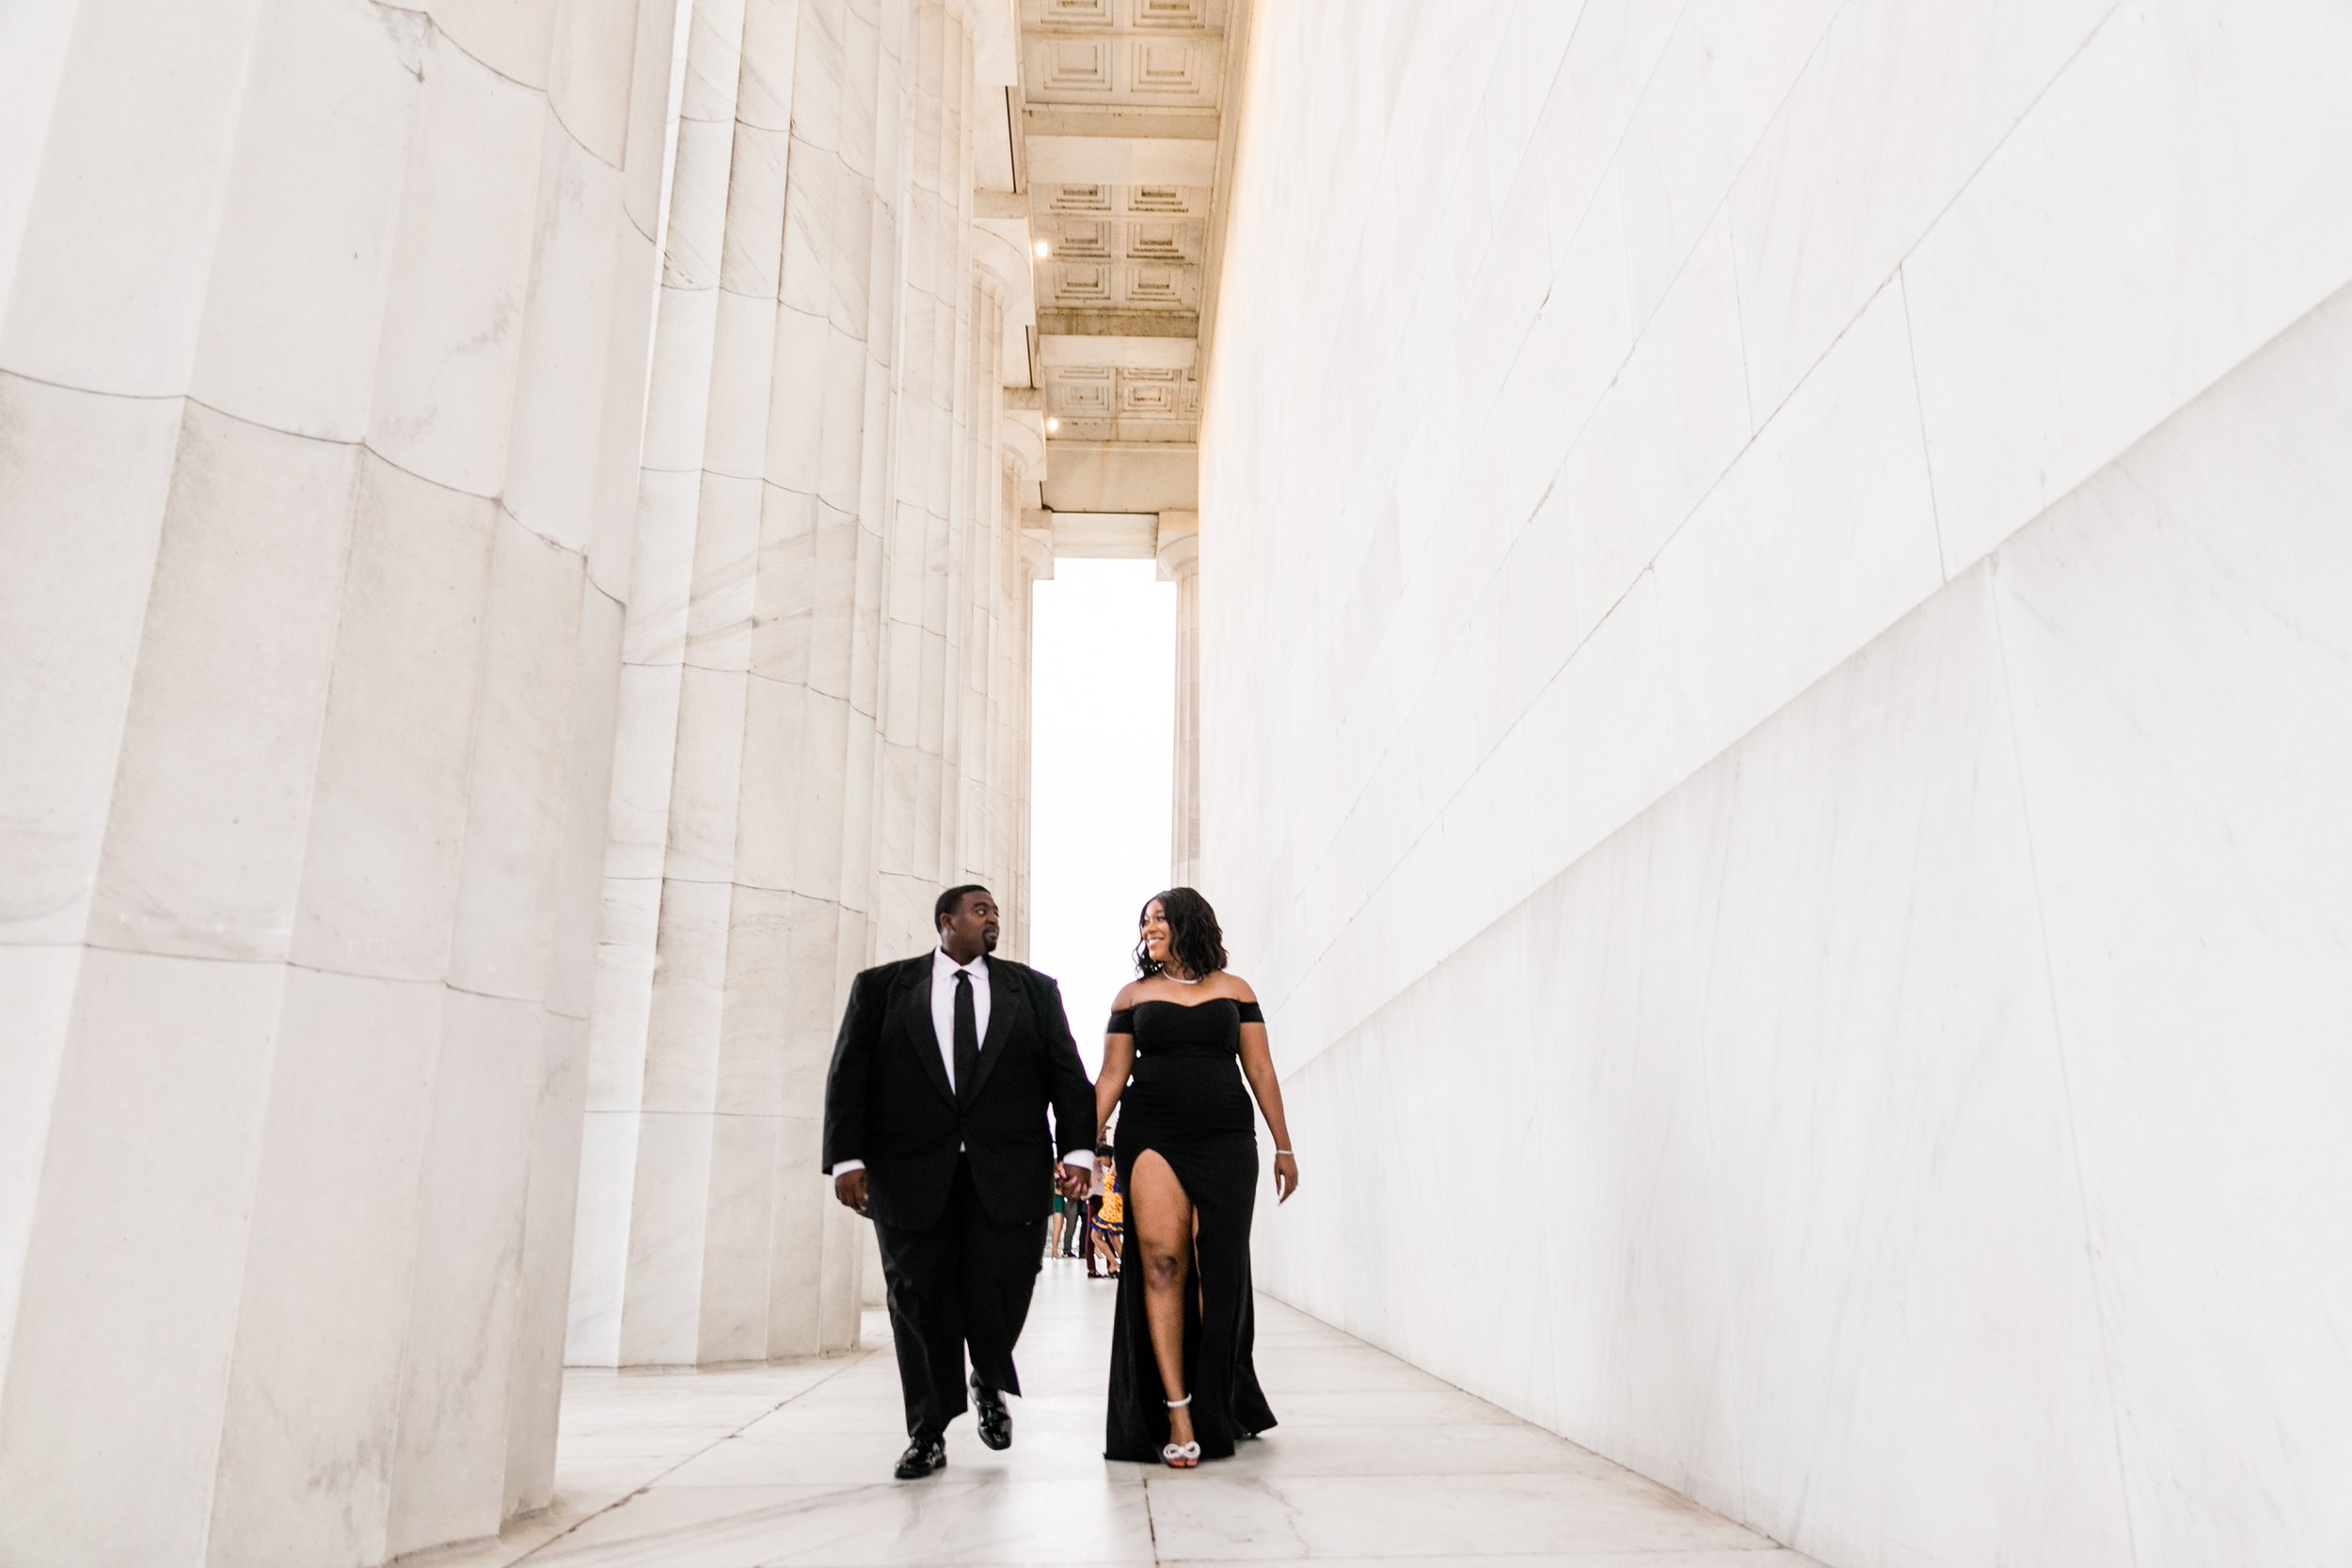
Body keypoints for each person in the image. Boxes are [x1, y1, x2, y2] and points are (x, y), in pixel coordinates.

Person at [822, 884, 1096, 1480]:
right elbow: (850, 1077)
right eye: (980, 910)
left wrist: (1078, 1150)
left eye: (996, 910)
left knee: (1008, 1282)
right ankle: (927, 1430)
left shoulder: (1035, 991)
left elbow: (1067, 1076)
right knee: (917, 1300)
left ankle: (989, 1376)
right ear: (946, 922)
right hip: (909, 1175)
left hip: (1010, 1173)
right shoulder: (881, 989)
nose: (992, 917)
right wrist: (846, 1159)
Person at [1097, 888, 1298, 1468]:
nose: (1149, 927)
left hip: (1227, 1138)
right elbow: (1112, 1076)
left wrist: (1284, 1145)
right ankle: (1178, 1410)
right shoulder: (1133, 995)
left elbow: (1259, 1067)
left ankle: (1218, 1404)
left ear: (1188, 922)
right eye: (1144, 921)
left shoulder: (1236, 991)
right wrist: (1080, 1146)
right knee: (1162, 1263)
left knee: (1221, 1271)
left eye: (1159, 917)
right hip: (1153, 1133)